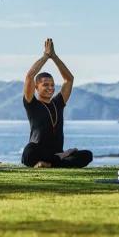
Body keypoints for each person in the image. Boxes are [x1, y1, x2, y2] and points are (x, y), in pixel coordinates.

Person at [21, 38, 93, 168]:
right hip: (38, 152)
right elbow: (29, 77)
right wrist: (45, 56)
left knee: (87, 155)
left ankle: (52, 162)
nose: (50, 88)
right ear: (36, 87)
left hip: (56, 152)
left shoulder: (58, 103)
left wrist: (54, 57)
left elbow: (69, 80)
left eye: (52, 85)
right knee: (28, 152)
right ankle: (58, 160)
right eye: (45, 85)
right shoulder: (32, 103)